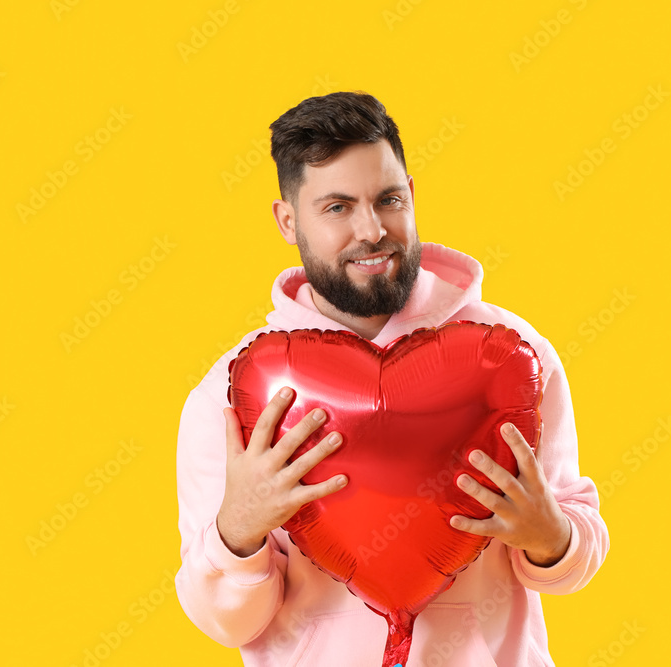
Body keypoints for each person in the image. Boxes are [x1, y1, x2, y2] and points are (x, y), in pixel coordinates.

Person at [175, 91, 609, 666]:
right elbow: (226, 622)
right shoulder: (234, 395)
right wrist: (238, 531)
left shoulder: (509, 360)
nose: (372, 230)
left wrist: (551, 535)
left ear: (412, 195)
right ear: (288, 220)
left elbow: (573, 554)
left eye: (388, 199)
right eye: (337, 207)